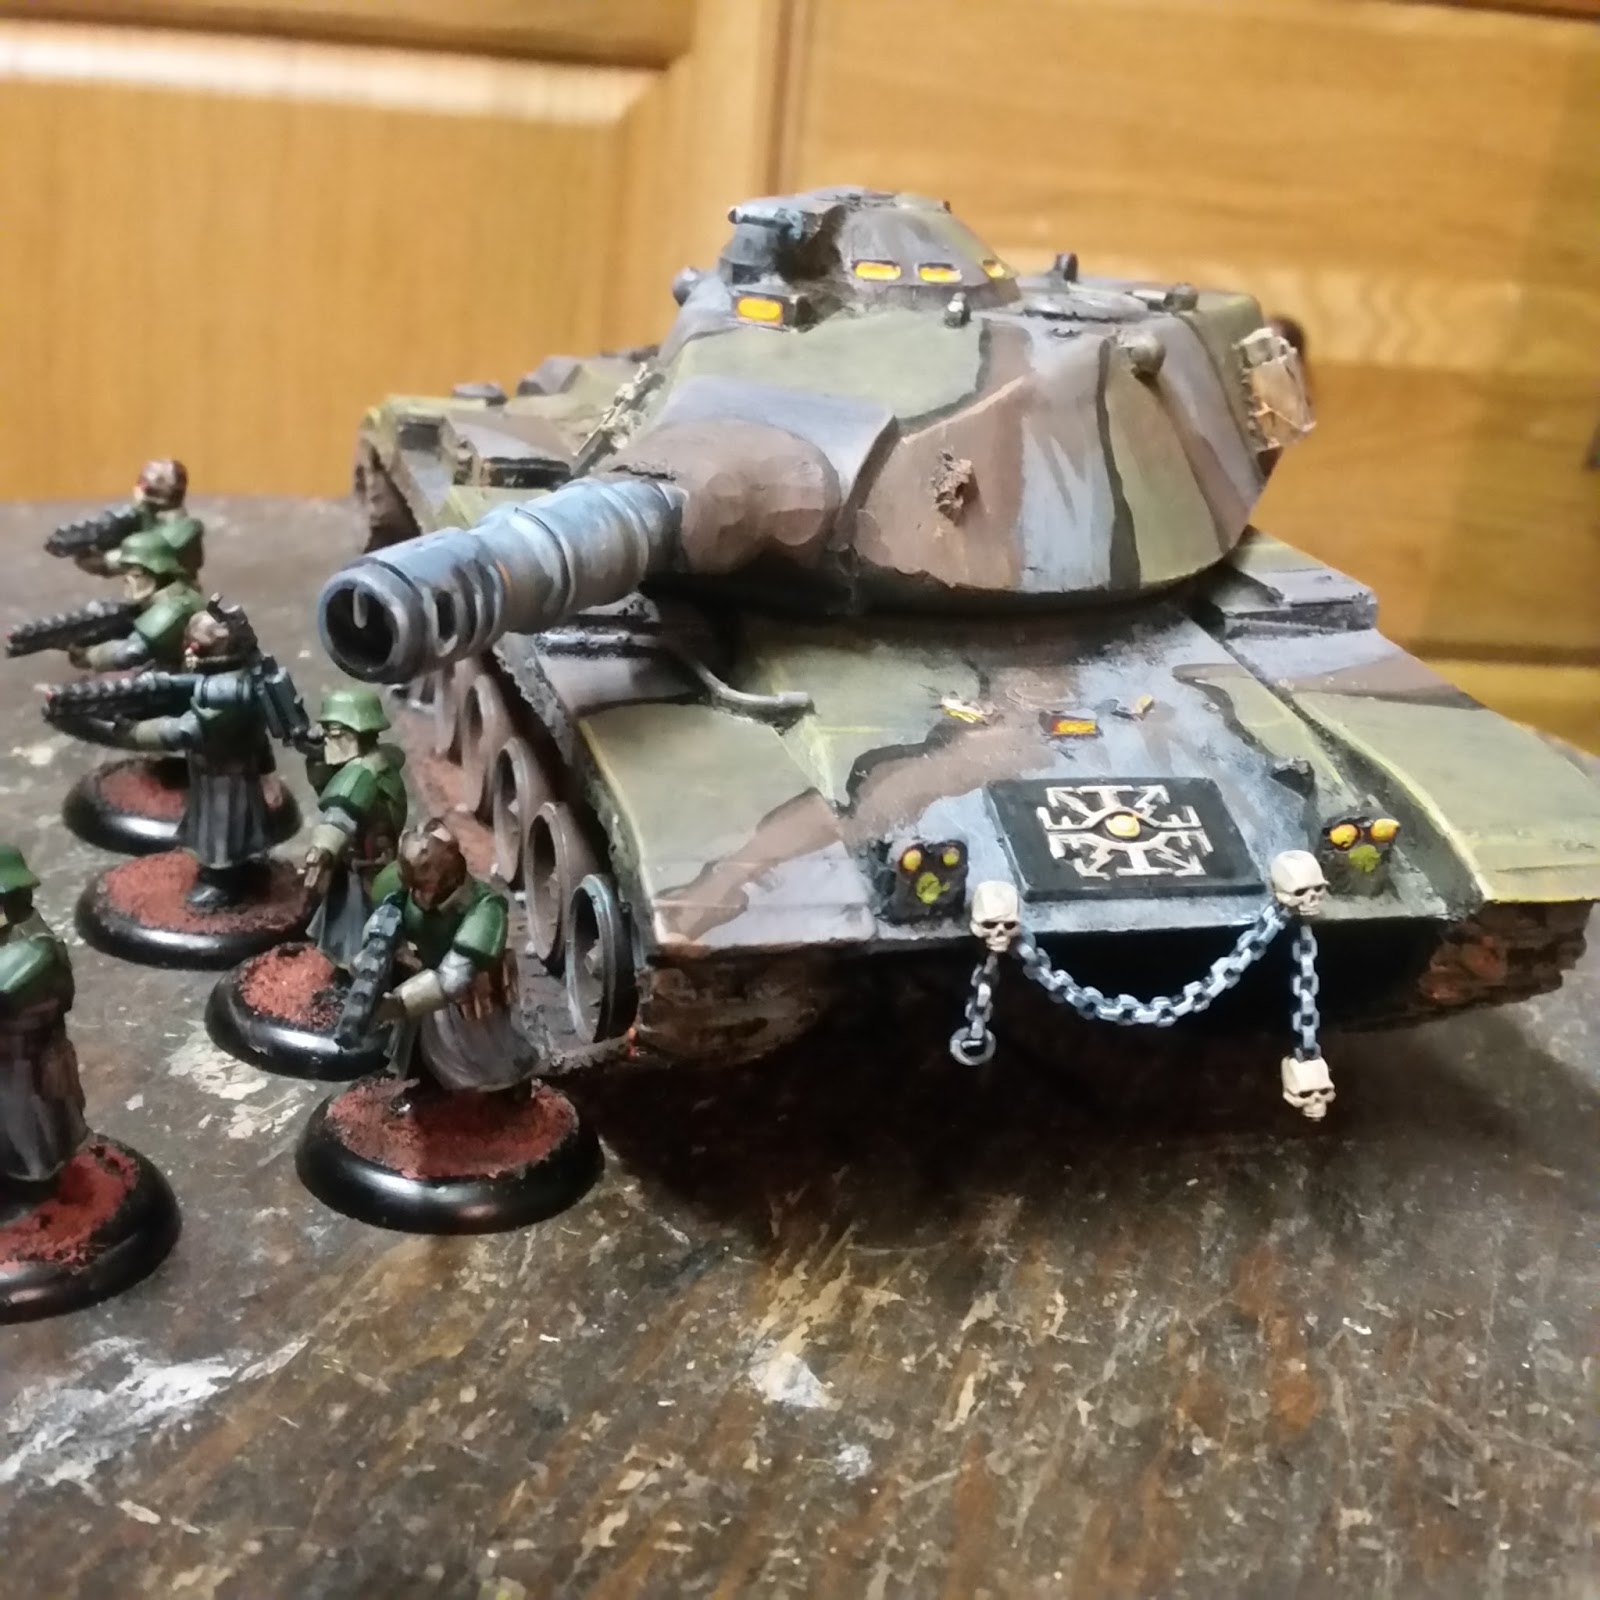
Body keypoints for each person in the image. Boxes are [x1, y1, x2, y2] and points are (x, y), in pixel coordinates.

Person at [368, 820, 519, 1101]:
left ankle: (507, 1098)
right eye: (415, 884)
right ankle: (430, 1088)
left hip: (469, 990)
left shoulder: (484, 906)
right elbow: (389, 904)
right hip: (426, 982)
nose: (422, 894)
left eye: (427, 880)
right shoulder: (409, 889)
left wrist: (401, 1003)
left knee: (484, 1058)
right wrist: (378, 941)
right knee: (420, 1050)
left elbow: (456, 974)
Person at [0, 845, 88, 1191]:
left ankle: (38, 1187)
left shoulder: (34, 945)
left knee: (32, 1126)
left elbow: (7, 988)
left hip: (26, 1060)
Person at [302, 687, 408, 968]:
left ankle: (357, 970)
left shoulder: (363, 773)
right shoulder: (376, 762)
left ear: (354, 734)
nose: (328, 739)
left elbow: (340, 814)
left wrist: (320, 851)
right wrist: (316, 757)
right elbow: (328, 783)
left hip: (366, 869)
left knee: (361, 927)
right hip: (360, 860)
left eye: (334, 733)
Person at [70, 529, 205, 672]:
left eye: (135, 574)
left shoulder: (173, 609)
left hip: (181, 669)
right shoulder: (176, 589)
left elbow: (132, 651)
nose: (127, 579)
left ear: (154, 571)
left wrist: (89, 656)